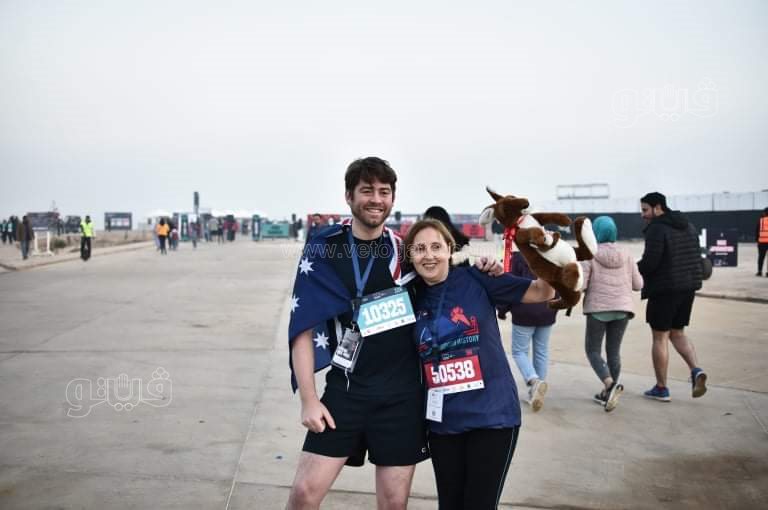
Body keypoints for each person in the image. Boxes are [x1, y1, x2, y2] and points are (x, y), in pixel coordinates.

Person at [285, 157, 501, 510]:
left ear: (392, 199)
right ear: (349, 196)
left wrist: (487, 266)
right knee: (304, 493)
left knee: (393, 503)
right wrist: (309, 399)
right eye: (366, 191)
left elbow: (445, 272)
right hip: (347, 391)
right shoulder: (326, 248)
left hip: (402, 398)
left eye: (384, 192)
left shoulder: (405, 252)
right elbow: (303, 329)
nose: (376, 199)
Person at [405, 219, 554, 510]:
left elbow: (543, 292)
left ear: (450, 249)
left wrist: (545, 253)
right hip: (443, 423)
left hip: (491, 416)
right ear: (410, 255)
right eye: (420, 249)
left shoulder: (477, 277)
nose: (429, 255)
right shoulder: (411, 295)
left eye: (436, 247)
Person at [638, 192, 707, 402]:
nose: (642, 214)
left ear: (658, 207)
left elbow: (650, 263)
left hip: (665, 290)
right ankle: (696, 370)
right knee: (678, 333)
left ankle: (661, 388)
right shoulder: (687, 225)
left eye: (645, 210)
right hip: (688, 288)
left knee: (660, 338)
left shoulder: (657, 228)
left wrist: (633, 270)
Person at [580, 216, 643, 412]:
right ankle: (610, 393)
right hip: (623, 310)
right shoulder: (627, 254)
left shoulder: (590, 254)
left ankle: (609, 385)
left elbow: (582, 285)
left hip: (598, 310)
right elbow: (638, 284)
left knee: (593, 350)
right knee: (614, 352)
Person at [507, 252, 557, 412]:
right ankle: (536, 391)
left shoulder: (517, 258)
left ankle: (534, 381)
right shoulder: (551, 255)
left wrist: (503, 309)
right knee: (541, 351)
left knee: (519, 351)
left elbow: (510, 284)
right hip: (547, 308)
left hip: (524, 310)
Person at [756, 207, 768, 277]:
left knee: (761, 257)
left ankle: (759, 271)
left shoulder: (761, 221)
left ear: (765, 213)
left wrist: (757, 240)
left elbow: (757, 231)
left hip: (762, 242)